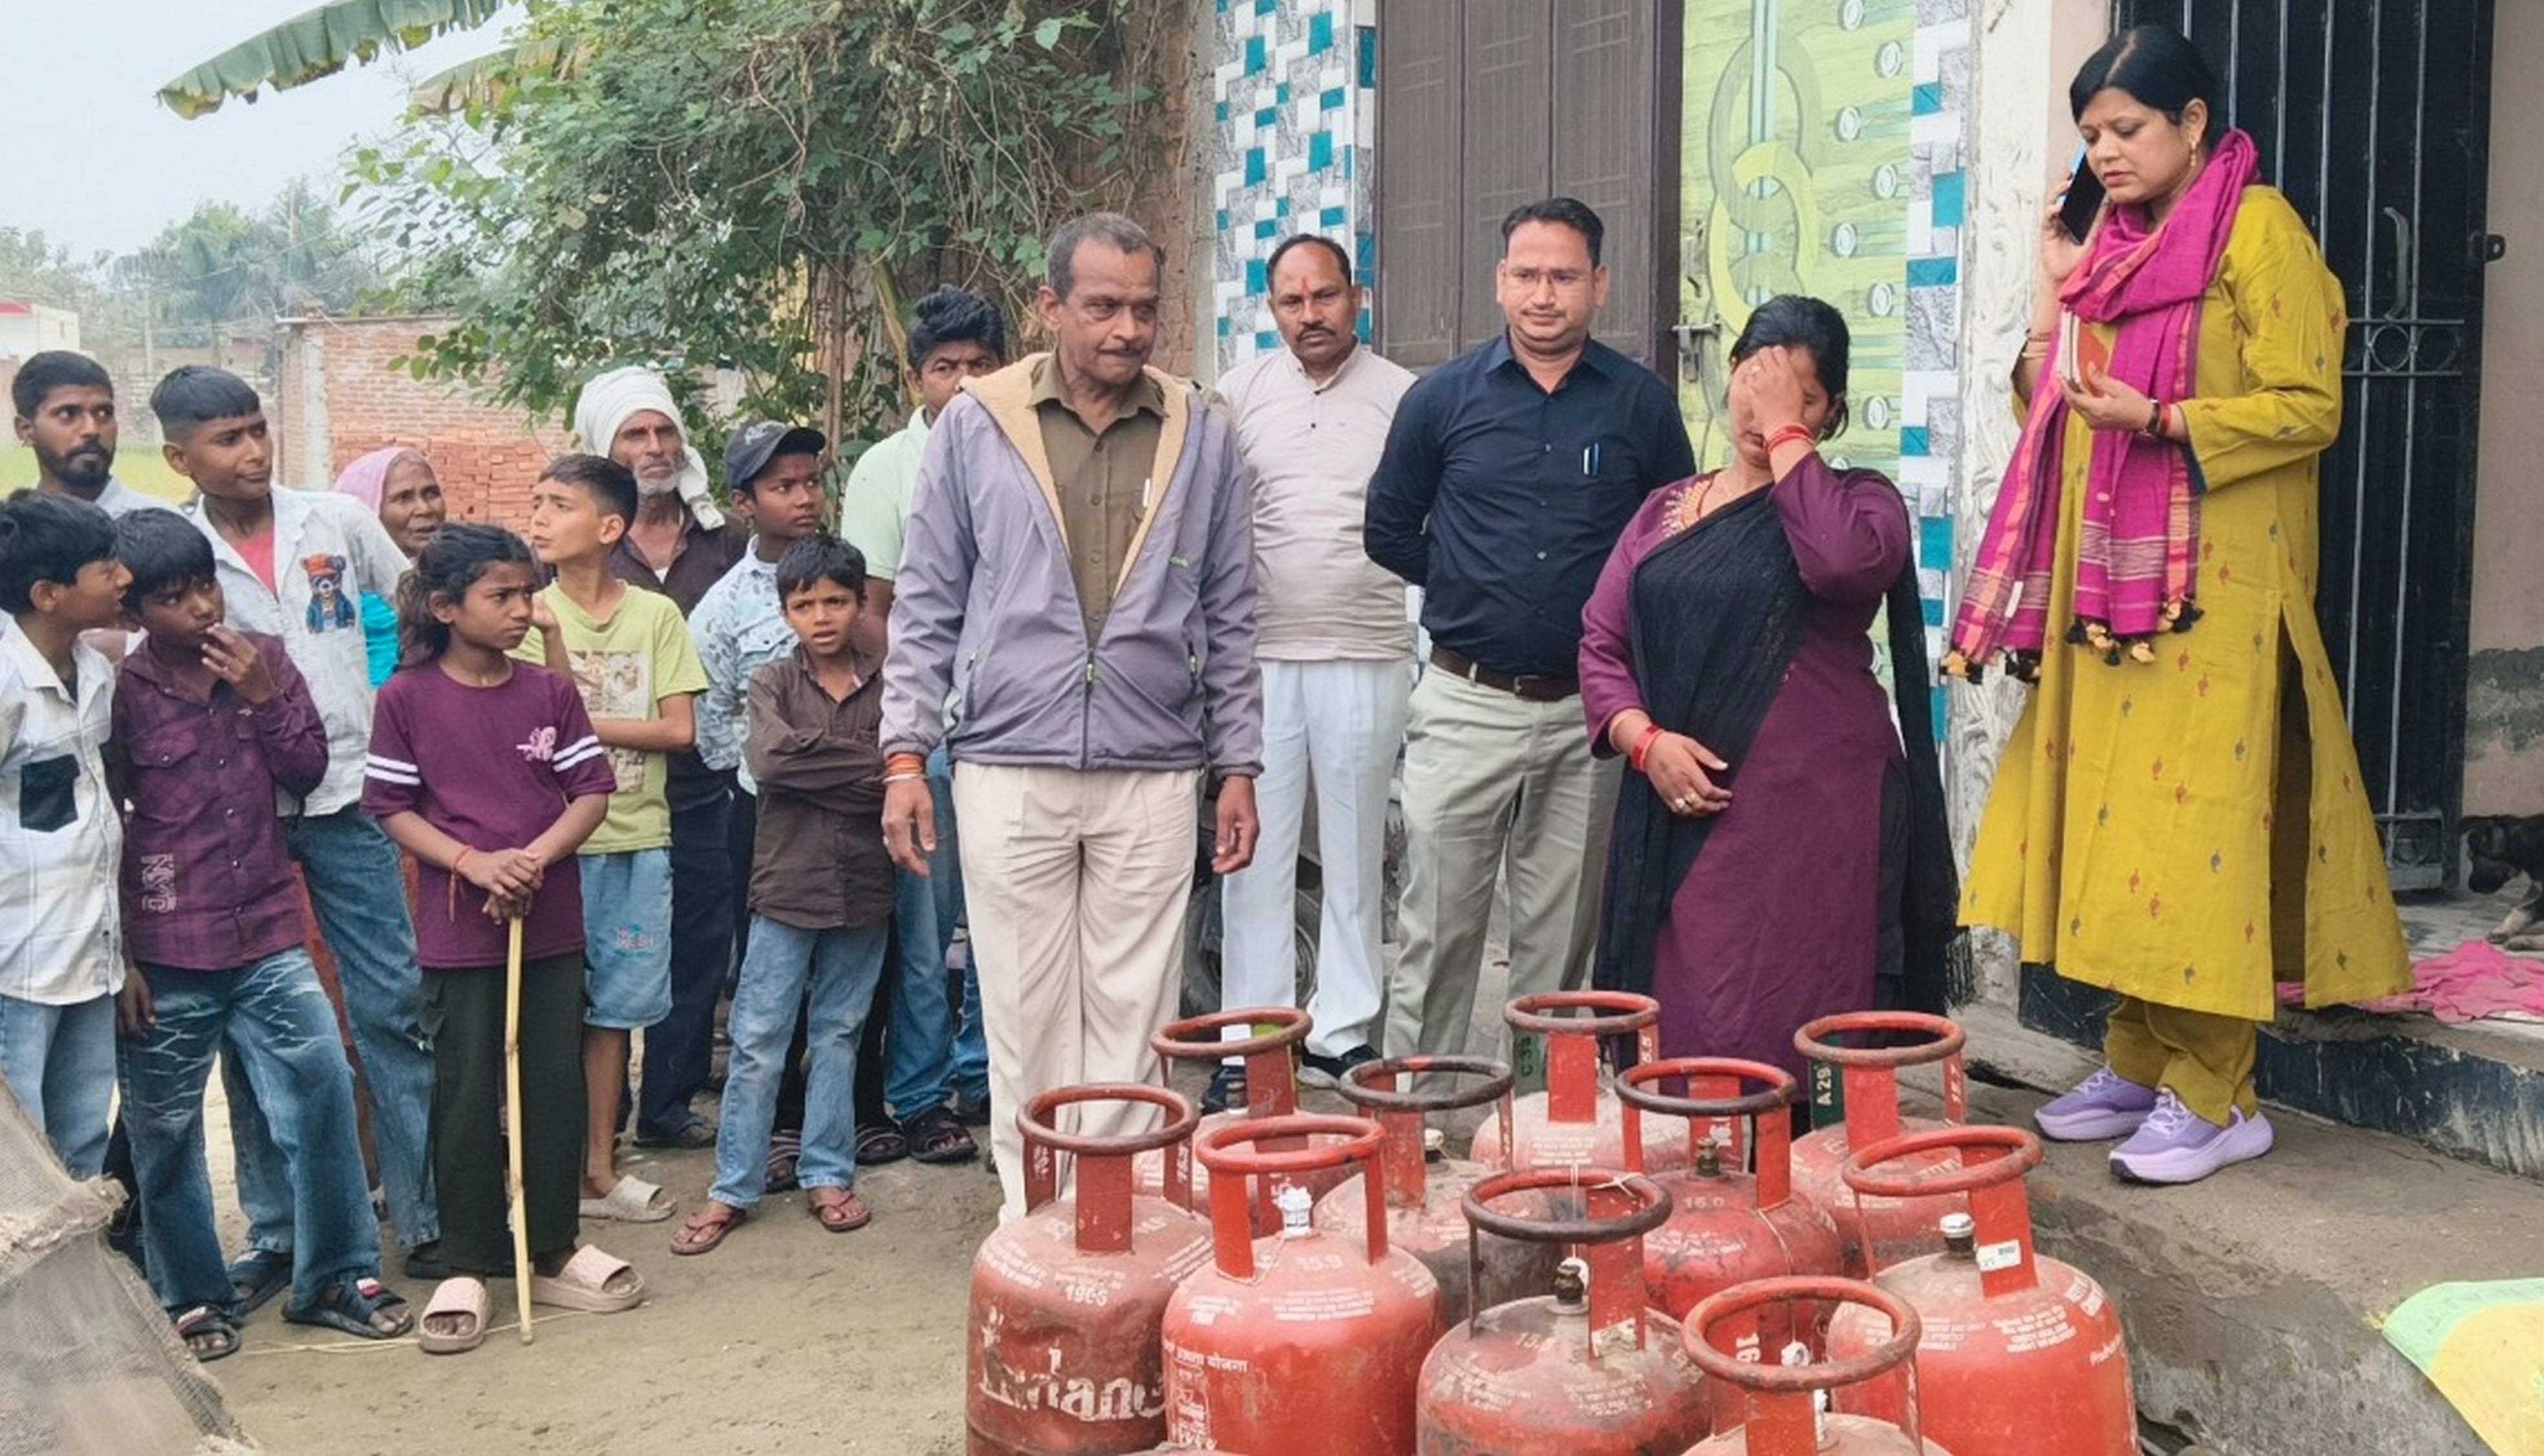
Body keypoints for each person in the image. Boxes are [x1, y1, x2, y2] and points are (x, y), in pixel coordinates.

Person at [1951, 25, 2410, 1185]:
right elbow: (2049, 405)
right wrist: (2053, 287)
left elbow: (2308, 404)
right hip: (2109, 589)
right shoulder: (2107, 247)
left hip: (2217, 591)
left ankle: (2216, 1095)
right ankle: (2139, 1056)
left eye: (2127, 128)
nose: (2105, 152)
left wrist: (2162, 420)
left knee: (2196, 838)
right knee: (2116, 831)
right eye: (2091, 135)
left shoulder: (2258, 231)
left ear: (2192, 124)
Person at [879, 211, 1264, 1218]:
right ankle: (1036, 1221)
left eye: (1144, 308)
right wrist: (905, 755)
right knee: (1023, 1005)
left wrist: (1238, 764)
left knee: (1137, 1008)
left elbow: (1230, 607)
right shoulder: (978, 421)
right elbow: (926, 598)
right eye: (1102, 307)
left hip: (1154, 760)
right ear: (1050, 306)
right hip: (1008, 759)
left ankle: (1117, 1220)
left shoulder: (1201, 428)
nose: (1127, 329)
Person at [1578, 297, 1957, 1088]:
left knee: (1808, 1003)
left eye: (1803, 399)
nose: (1769, 412)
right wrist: (1643, 741)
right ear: (1729, 377)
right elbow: (1602, 643)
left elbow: (1840, 565)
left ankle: (1811, 1149)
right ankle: (1700, 1145)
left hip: (1819, 814)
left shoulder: (1863, 504)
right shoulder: (1664, 512)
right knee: (1697, 1010)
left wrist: (1787, 438)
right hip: (1687, 806)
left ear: (1833, 411)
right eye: (1757, 384)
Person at [1365, 197, 1696, 1076]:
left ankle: (1545, 1116)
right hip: (1465, 702)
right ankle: (1419, 1114)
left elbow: (1671, 539)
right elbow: (1388, 529)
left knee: (1562, 947)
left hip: (1588, 716)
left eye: (1563, 276)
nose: (1544, 294)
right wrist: (1472, 583)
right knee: (1438, 928)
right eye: (1526, 275)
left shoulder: (1640, 405)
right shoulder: (1440, 400)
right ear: (1498, 282)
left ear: (1600, 284)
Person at [154, 366, 443, 1293]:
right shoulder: (180, 553)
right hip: (239, 820)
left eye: (257, 429)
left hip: (352, 798)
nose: (251, 451)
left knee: (392, 1006)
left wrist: (405, 708)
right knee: (255, 1028)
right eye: (226, 439)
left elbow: (419, 604)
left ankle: (426, 1213)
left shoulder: (336, 521)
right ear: (180, 458)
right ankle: (277, 1232)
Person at [104, 509, 411, 1360]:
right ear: (134, 613)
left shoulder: (264, 657)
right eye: (174, 598)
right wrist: (122, 956)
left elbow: (309, 772)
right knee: (165, 1129)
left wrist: (263, 696)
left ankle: (335, 1276)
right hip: (167, 943)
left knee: (320, 1091)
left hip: (268, 929)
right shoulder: (121, 692)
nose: (202, 608)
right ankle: (193, 1295)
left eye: (205, 586)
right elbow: (106, 820)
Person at [364, 523, 642, 1355]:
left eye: (529, 592)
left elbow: (590, 790)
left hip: (549, 922)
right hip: (459, 929)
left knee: (551, 1083)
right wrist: (475, 863)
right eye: (503, 595)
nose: (524, 609)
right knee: (462, 1091)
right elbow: (392, 808)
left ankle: (551, 1246)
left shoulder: (549, 692)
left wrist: (533, 860)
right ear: (446, 607)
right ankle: (471, 1258)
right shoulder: (405, 698)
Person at [1214, 234, 1416, 1103]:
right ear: (1271, 310)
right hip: (1259, 657)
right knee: (1252, 850)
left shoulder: (1405, 397)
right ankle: (1253, 1038)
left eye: (1325, 296)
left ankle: (1342, 1029)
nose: (1310, 315)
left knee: (1355, 847)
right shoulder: (1236, 396)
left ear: (1356, 297)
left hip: (1367, 651)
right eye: (1292, 302)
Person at [673, 536, 895, 1253]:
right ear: (785, 612)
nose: (822, 617)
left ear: (859, 604)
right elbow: (769, 764)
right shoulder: (772, 682)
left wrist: (826, 768)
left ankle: (827, 1173)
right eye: (805, 605)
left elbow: (898, 772)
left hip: (864, 885)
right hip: (785, 884)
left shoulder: (889, 684)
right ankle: (732, 1186)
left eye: (835, 601)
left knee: (840, 1033)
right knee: (759, 1039)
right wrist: (865, 771)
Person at [837, 284, 1007, 1154]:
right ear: (916, 379)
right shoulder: (885, 469)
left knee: (1001, 917)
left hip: (1012, 726)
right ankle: (919, 1088)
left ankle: (986, 1073)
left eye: (981, 364)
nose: (965, 382)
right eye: (945, 367)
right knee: (926, 927)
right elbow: (872, 609)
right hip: (929, 731)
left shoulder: (1024, 448)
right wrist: (930, 702)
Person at [518, 455, 704, 1223]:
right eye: (536, 501)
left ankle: (601, 1168)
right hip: (551, 848)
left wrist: (580, 729)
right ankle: (545, 1174)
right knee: (548, 1015)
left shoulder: (655, 616)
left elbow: (678, 729)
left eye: (559, 504)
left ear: (609, 527)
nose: (539, 517)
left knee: (614, 1016)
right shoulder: (524, 616)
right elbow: (525, 731)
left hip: (635, 839)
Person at [576, 366, 750, 1152]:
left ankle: (669, 1105)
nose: (653, 447)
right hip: (602, 798)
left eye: (663, 430)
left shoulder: (725, 541)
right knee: (602, 957)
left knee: (700, 947)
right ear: (602, 449)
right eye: (634, 435)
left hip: (705, 783)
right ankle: (600, 1118)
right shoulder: (581, 550)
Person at [692, 419, 849, 1180]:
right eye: (783, 486)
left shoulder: (847, 579)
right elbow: (711, 718)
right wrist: (768, 772)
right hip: (767, 815)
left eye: (810, 481)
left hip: (859, 810)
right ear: (744, 503)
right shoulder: (724, 607)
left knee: (856, 968)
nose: (804, 497)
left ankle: (851, 1119)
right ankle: (779, 1126)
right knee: (770, 972)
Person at [0, 492, 127, 1178]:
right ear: (48, 594)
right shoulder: (6, 683)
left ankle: (81, 1256)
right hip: (16, 963)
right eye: (105, 567)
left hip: (88, 953)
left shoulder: (96, 671)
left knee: (81, 1140)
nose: (123, 576)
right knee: (18, 1158)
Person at [330, 446, 447, 687]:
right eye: (404, 498)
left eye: (432, 493)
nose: (425, 509)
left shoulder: (457, 578)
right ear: (367, 510)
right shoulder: (337, 593)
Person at [14, 351, 152, 515]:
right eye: (67, 414)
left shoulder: (163, 525)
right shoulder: (11, 525)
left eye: (103, 413)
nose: (91, 430)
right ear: (26, 430)